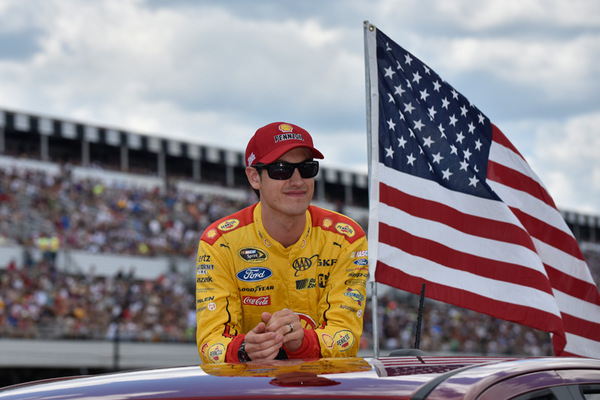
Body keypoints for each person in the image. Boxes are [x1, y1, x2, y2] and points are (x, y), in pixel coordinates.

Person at [196, 122, 368, 364]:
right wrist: (244, 349)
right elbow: (211, 342)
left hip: (322, 381)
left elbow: (345, 336)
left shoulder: (346, 238)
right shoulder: (220, 242)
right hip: (251, 382)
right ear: (254, 177)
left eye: (307, 168)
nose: (298, 180)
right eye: (281, 170)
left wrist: (302, 342)